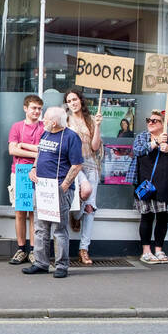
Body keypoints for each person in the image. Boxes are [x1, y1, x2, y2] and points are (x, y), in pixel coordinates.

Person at [22, 106, 82, 279]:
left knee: (58, 229)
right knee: (40, 228)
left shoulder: (71, 137)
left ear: (54, 122)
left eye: (46, 119)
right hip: (41, 188)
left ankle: (62, 265)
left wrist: (64, 185)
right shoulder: (46, 133)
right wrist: (33, 168)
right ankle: (41, 263)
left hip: (59, 189)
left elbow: (77, 164)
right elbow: (39, 153)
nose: (43, 121)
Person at [132, 110, 168, 264]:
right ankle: (146, 250)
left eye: (155, 120)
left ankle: (158, 249)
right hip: (146, 183)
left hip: (165, 183)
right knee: (147, 216)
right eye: (149, 120)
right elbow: (137, 150)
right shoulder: (142, 137)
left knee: (163, 217)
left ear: (164, 124)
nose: (150, 122)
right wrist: (156, 143)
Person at [63, 90, 102, 265]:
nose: (73, 102)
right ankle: (75, 216)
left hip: (91, 164)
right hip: (73, 164)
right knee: (82, 196)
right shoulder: (65, 120)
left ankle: (84, 249)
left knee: (90, 208)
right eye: (69, 100)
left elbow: (95, 147)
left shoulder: (91, 120)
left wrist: (98, 126)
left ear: (81, 100)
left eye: (75, 99)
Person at [7, 95, 44, 264]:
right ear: (25, 108)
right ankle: (21, 249)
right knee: (20, 211)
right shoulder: (17, 127)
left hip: (39, 172)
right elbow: (12, 150)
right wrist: (35, 153)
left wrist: (23, 146)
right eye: (33, 108)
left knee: (34, 213)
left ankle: (34, 250)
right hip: (19, 172)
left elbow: (46, 150)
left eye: (39, 108)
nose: (36, 111)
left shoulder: (44, 128)